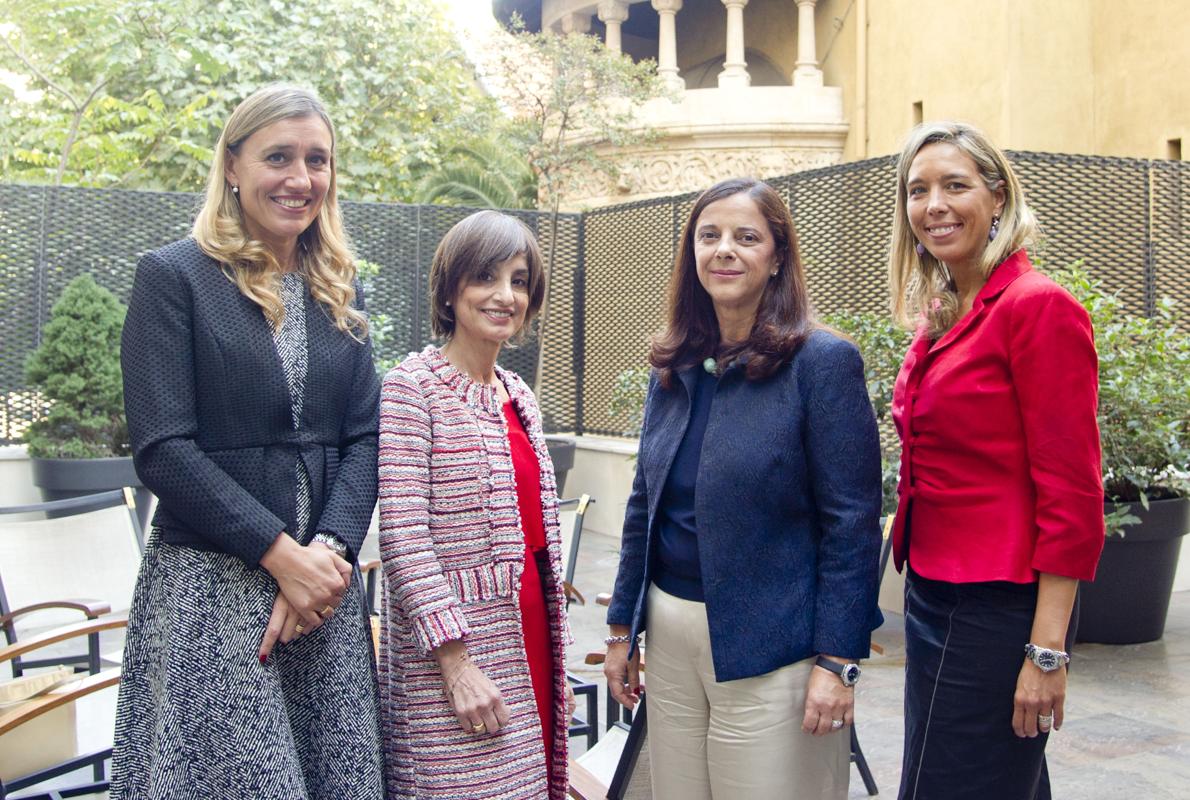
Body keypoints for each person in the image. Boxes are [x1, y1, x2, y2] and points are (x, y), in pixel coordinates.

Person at [113, 85, 384, 799]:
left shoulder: (341, 291)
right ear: (232, 166)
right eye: (279, 157)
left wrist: (324, 556)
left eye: (317, 160)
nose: (301, 179)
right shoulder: (174, 277)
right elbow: (163, 447)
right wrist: (279, 555)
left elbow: (365, 438)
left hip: (321, 603)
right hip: (214, 593)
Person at [602, 177, 884, 799]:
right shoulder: (676, 362)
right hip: (672, 639)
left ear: (777, 255)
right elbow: (644, 504)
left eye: (746, 237)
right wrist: (622, 628)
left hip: (774, 647)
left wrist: (839, 661)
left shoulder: (821, 363)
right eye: (710, 236)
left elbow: (853, 524)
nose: (724, 250)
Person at [887, 121, 1105, 800]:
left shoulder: (1039, 309)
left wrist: (1045, 652)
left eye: (956, 185)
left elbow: (1072, 494)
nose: (934, 205)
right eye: (917, 190)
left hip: (994, 607)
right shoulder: (946, 310)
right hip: (932, 590)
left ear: (999, 196)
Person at [377, 210, 574, 799]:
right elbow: (402, 535)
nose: (503, 295)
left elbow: (538, 537)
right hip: (455, 647)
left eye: (518, 280)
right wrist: (456, 662)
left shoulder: (519, 395)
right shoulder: (412, 387)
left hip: (531, 626)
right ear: (450, 287)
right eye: (485, 277)